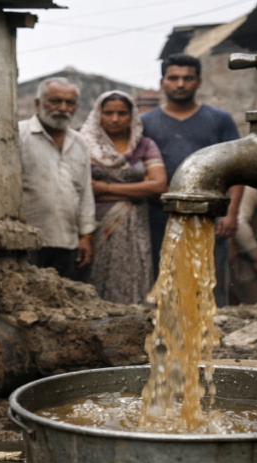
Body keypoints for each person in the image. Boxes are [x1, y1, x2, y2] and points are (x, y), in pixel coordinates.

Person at [142, 53, 244, 307]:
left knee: (210, 283)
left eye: (187, 78)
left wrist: (231, 214)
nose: (180, 84)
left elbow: (237, 168)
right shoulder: (145, 123)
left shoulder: (219, 120)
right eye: (173, 78)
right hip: (159, 217)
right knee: (165, 283)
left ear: (198, 82)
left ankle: (216, 344)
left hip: (208, 216)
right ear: (162, 82)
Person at [79, 90, 167, 303]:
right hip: (93, 224)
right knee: (95, 280)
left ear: (132, 116)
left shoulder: (144, 145)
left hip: (135, 226)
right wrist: (137, 190)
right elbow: (83, 189)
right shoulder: (83, 144)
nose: (115, 119)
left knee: (133, 277)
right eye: (108, 113)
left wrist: (106, 188)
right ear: (98, 115)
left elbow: (159, 186)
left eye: (122, 113)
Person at [19, 77, 95, 280]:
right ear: (38, 103)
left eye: (69, 103)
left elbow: (85, 192)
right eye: (55, 101)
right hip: (27, 242)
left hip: (67, 242)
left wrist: (86, 236)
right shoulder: (19, 135)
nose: (62, 108)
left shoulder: (79, 142)